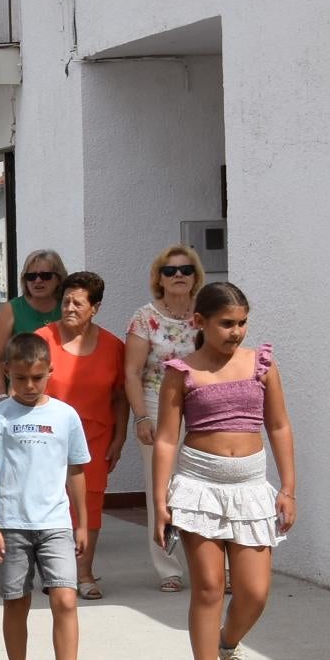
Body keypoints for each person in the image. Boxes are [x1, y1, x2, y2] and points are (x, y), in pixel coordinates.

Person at [150, 280, 297, 660]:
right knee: (209, 588)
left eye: (242, 323)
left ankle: (228, 643)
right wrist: (160, 500)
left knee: (254, 591)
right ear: (200, 322)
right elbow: (166, 439)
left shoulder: (261, 365)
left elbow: (279, 426)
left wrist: (287, 488)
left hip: (251, 486)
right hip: (199, 485)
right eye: (226, 323)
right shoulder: (181, 372)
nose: (236, 331)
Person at [0, 334, 95, 660]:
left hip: (56, 523)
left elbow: (76, 471)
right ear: (7, 371)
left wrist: (83, 522)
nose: (28, 386)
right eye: (20, 378)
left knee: (65, 600)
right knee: (16, 602)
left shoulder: (65, 416)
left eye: (37, 378)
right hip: (11, 525)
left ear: (50, 372)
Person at [34, 273, 128, 598]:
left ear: (95, 308)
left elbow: (120, 397)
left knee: (89, 505)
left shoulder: (114, 347)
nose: (69, 308)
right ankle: (55, 571)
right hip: (46, 438)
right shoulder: (42, 339)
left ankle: (84, 573)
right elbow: (24, 388)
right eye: (66, 302)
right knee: (49, 504)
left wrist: (120, 437)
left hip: (95, 438)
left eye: (78, 303)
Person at [123, 246, 207, 594]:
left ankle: (213, 566)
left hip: (202, 406)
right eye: (170, 271)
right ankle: (168, 568)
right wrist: (141, 416)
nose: (178, 276)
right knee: (163, 488)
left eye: (185, 270)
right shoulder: (145, 318)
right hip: (158, 405)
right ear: (159, 278)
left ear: (195, 276)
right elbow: (132, 372)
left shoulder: (205, 313)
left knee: (205, 485)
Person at [0, 250, 68, 392]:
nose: (37, 281)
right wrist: (1, 397)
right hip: (24, 393)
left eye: (45, 276)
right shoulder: (11, 309)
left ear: (59, 279)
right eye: (31, 277)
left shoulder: (67, 307)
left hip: (61, 391)